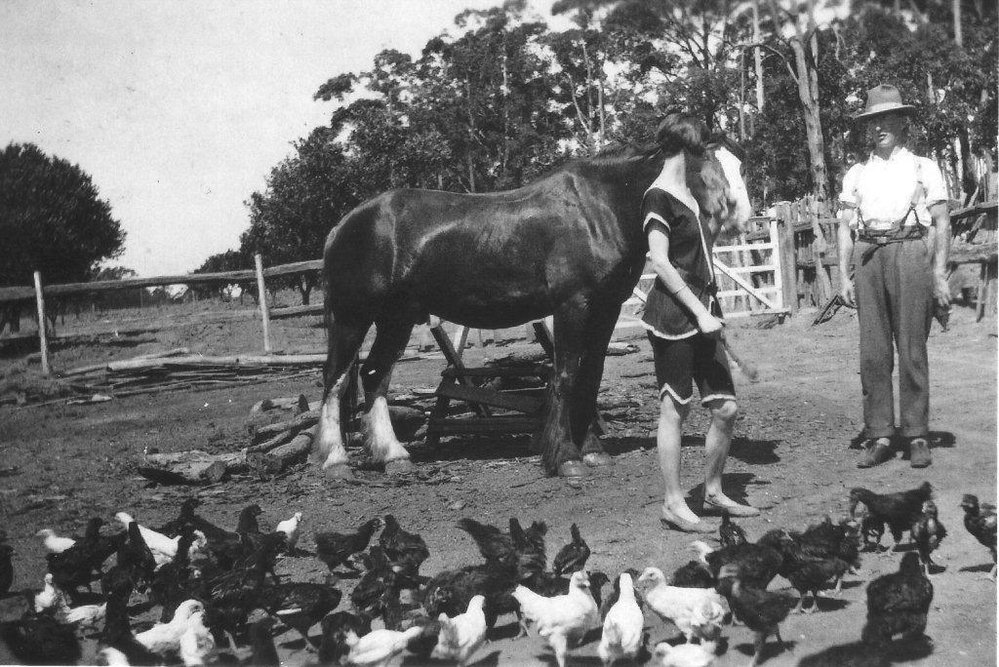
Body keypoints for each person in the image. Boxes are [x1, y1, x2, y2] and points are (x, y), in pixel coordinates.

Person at [642, 113, 759, 533]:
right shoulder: (658, 197)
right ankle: (674, 503)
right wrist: (701, 311)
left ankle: (712, 491)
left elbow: (699, 251)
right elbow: (660, 261)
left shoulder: (690, 195)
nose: (707, 159)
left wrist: (722, 220)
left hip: (704, 311)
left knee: (725, 408)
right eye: (704, 151)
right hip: (674, 314)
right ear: (690, 150)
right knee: (675, 408)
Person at [836, 84, 951, 469]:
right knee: (873, 351)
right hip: (868, 257)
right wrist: (844, 276)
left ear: (903, 123)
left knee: (912, 346)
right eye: (873, 120)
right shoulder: (857, 172)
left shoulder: (923, 167)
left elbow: (940, 222)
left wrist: (939, 275)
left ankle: (916, 433)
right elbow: (844, 226)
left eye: (887, 119)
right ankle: (880, 434)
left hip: (910, 252)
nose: (879, 127)